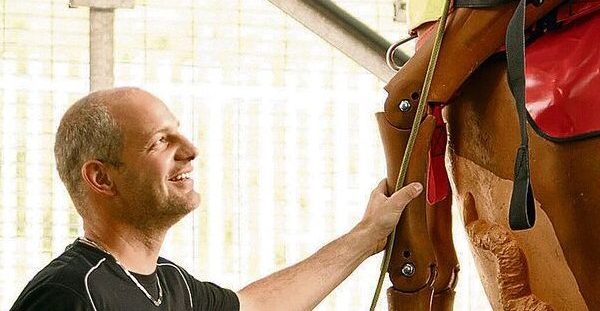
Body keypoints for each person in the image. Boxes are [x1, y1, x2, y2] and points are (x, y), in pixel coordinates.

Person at [10, 87, 422, 310]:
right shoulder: (70, 296)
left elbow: (258, 306)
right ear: (101, 178)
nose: (190, 150)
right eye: (160, 141)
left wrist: (366, 237)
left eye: (179, 132)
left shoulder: (171, 287)